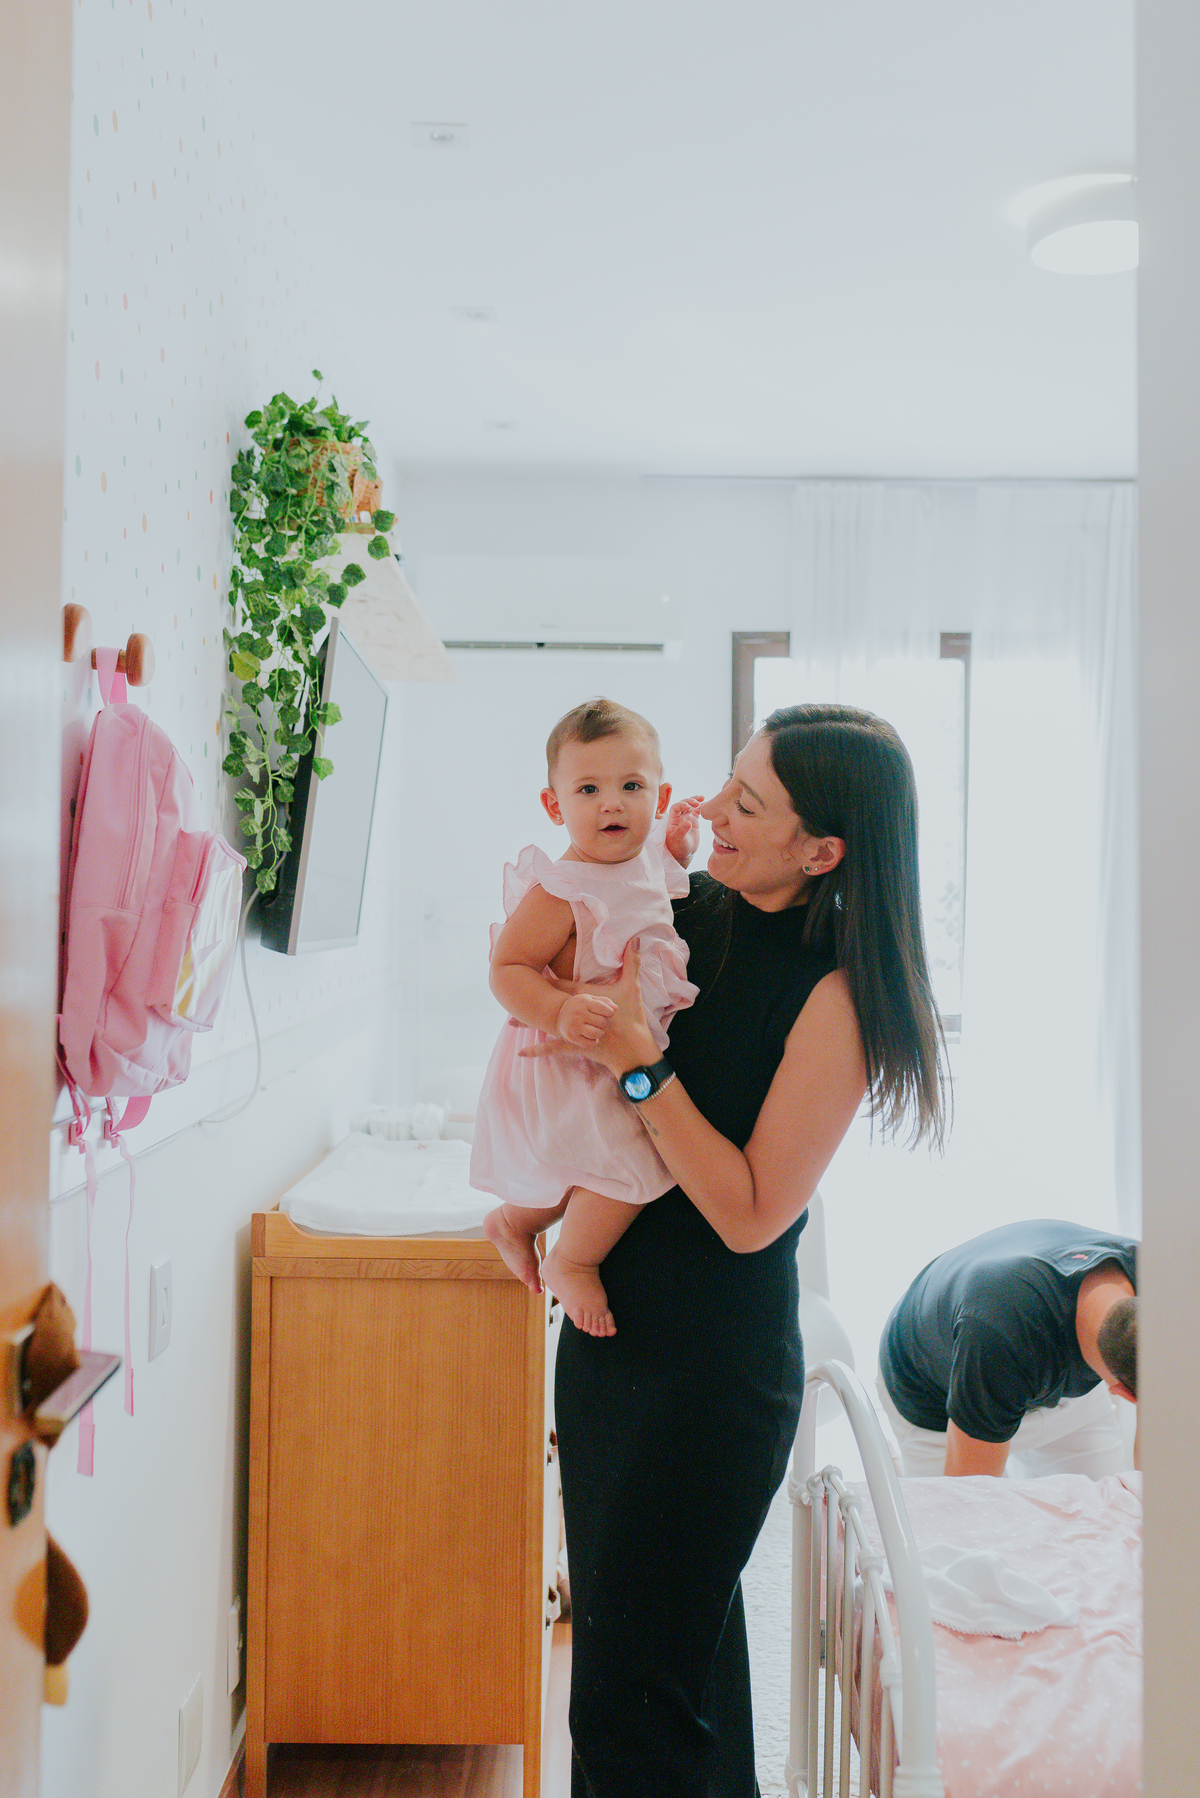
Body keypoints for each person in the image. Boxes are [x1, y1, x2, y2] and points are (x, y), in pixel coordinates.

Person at [529, 703, 948, 1797]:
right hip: (614, 1344)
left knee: (629, 1701)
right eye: (725, 781)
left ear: (824, 850)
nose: (707, 807)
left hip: (706, 1381)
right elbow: (583, 1095)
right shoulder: (684, 909)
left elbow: (753, 1211)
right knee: (674, 1682)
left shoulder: (838, 995)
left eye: (746, 802)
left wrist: (638, 1064)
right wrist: (540, 1206)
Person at [471, 697, 703, 1335]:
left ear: (659, 797)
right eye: (589, 788)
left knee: (584, 1169)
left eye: (632, 786)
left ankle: (515, 1221)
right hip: (576, 1050)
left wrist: (677, 846)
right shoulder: (561, 888)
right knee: (632, 1166)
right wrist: (560, 1008)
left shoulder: (643, 858)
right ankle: (573, 1261)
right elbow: (507, 968)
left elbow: (654, 896)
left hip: (621, 1046)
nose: (612, 804)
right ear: (555, 806)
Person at [877, 1219, 1138, 1479]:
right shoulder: (998, 1337)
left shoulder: (1159, 1277)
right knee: (964, 1515)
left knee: (1096, 1512)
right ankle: (899, 1472)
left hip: (1042, 1370)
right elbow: (967, 1496)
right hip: (936, 1398)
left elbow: (1152, 1482)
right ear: (1123, 1392)